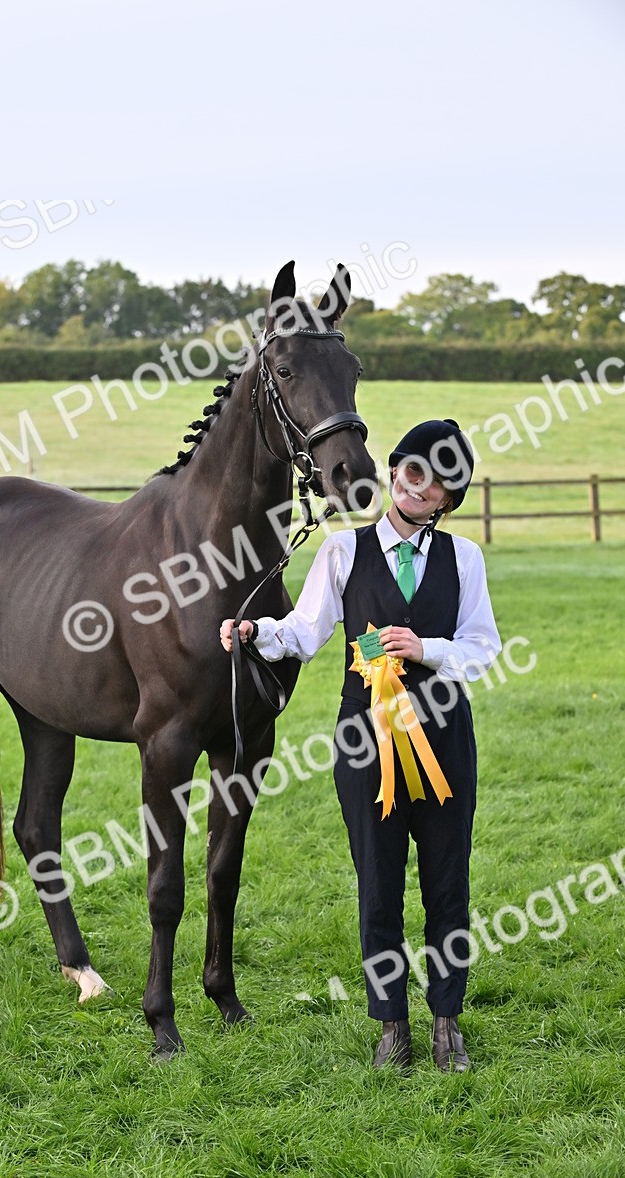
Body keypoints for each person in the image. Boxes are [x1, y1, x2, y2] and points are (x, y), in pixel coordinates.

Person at [220, 419, 501, 1072]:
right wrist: (255, 629)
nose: (419, 487)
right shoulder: (343, 554)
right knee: (378, 885)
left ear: (448, 500)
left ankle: (447, 1023)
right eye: (411, 471)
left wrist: (424, 648)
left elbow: (483, 650)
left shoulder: (466, 559)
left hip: (444, 743)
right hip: (365, 744)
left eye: (436, 484)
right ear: (395, 472)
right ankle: (391, 1026)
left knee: (447, 884)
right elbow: (306, 632)